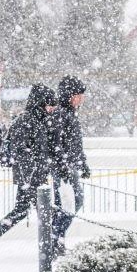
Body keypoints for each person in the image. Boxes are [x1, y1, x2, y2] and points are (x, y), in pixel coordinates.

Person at [0, 84, 58, 261]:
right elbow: (22, 152)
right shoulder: (26, 121)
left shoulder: (38, 120)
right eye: (49, 104)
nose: (51, 108)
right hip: (31, 177)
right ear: (40, 103)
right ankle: (50, 249)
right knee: (43, 213)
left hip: (34, 176)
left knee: (25, 211)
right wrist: (34, 174)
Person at [50, 75, 90, 255]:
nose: (81, 98)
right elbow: (57, 144)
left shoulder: (70, 115)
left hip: (70, 166)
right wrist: (64, 166)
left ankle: (56, 240)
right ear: (69, 95)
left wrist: (83, 163)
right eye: (78, 95)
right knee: (70, 203)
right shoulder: (60, 115)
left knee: (67, 204)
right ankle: (55, 240)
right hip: (63, 169)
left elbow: (75, 144)